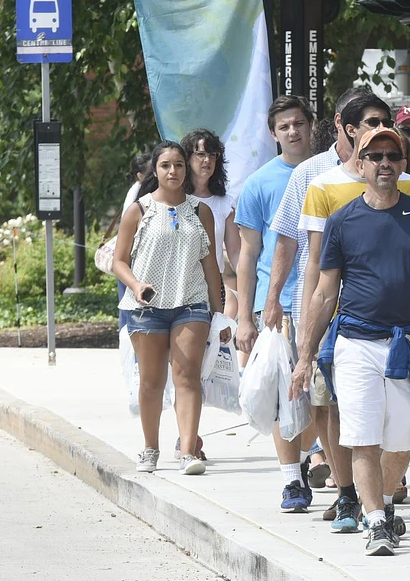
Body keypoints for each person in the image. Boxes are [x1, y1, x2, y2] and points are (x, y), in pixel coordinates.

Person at [295, 127, 410, 556]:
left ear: (403, 164)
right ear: (361, 163)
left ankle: (382, 504)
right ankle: (377, 522)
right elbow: (324, 292)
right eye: (375, 156)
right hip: (354, 342)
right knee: (363, 436)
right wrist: (305, 354)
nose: (385, 163)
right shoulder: (341, 220)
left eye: (392, 156)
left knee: (400, 440)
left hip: (407, 343)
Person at [291, 91, 410, 533]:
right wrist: (306, 337)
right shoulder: (321, 185)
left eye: (387, 125)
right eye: (372, 124)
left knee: (392, 425)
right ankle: (351, 497)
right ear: (351, 133)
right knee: (337, 411)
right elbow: (316, 267)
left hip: (399, 330)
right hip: (341, 324)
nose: (384, 151)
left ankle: (377, 500)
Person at [265, 88, 366, 492]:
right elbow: (287, 242)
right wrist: (272, 299)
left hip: (373, 304)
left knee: (365, 397)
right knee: (322, 399)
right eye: (363, 122)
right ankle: (343, 485)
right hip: (317, 304)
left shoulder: (391, 170)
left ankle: (372, 478)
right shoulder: (310, 173)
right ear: (341, 124)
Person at [113, 140, 227, 476]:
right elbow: (119, 261)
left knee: (187, 377)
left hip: (191, 304)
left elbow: (210, 265)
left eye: (178, 164)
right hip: (147, 307)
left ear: (186, 168)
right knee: (151, 381)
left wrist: (219, 313)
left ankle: (188, 451)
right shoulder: (139, 210)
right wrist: (136, 285)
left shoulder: (200, 211)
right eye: (165, 165)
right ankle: (150, 448)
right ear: (155, 169)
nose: (173, 171)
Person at [233, 96, 316, 513]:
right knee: (285, 394)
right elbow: (247, 255)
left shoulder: (328, 173)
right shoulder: (259, 182)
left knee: (320, 395)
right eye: (284, 126)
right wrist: (244, 316)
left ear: (312, 125)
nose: (292, 132)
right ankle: (291, 480)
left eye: (299, 123)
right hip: (278, 306)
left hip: (323, 300)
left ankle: (311, 456)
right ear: (273, 133)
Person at [181, 130, 242, 321]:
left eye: (212, 155)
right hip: (179, 285)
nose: (207, 160)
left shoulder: (225, 202)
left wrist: (250, 283)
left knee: (214, 338)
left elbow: (235, 252)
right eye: (200, 154)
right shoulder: (175, 199)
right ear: (187, 158)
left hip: (213, 285)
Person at [114, 151, 151, 329]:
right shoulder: (139, 194)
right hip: (131, 259)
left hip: (132, 258)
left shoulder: (138, 191)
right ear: (140, 175)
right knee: (130, 307)